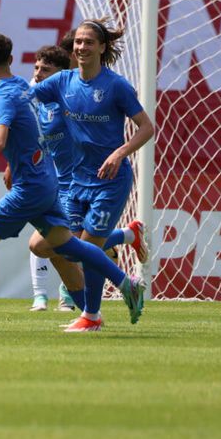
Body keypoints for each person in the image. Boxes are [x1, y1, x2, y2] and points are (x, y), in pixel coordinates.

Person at [0, 32, 145, 331]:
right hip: (48, 182)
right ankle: (124, 285)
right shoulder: (19, 87)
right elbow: (21, 115)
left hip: (34, 187)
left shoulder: (9, 96)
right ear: (11, 60)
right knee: (65, 246)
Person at [32, 19, 154, 332]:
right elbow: (25, 97)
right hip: (75, 182)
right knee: (52, 245)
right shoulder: (62, 81)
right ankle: (128, 242)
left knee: (87, 251)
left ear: (102, 47)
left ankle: (92, 316)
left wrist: (119, 153)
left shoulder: (115, 86)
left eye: (89, 42)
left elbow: (146, 127)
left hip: (109, 182)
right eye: (78, 42)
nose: (82, 47)